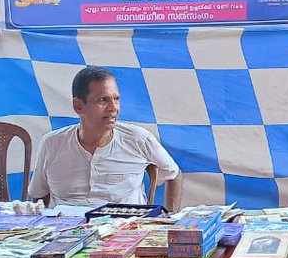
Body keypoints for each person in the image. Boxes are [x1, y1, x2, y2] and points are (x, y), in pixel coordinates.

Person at [28, 67, 182, 209]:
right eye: (103, 100)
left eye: (116, 99)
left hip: (124, 232)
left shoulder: (138, 140)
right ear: (78, 106)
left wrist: (169, 220)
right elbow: (39, 195)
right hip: (67, 233)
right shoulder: (52, 144)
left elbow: (174, 174)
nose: (114, 108)